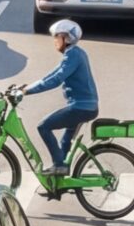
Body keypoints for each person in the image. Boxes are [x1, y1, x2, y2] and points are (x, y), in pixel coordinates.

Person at [25, 18, 98, 190]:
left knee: (44, 126)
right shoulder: (74, 53)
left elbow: (56, 80)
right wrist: (27, 87)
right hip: (85, 106)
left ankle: (59, 165)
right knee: (65, 142)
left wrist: (27, 92)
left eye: (57, 37)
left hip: (81, 107)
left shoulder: (73, 54)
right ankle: (59, 183)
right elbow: (52, 74)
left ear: (66, 38)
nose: (55, 41)